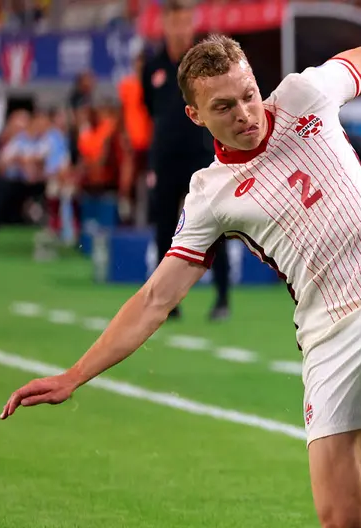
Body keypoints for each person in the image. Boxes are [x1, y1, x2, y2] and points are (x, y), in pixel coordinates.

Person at [0, 35, 361, 528]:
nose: (245, 113)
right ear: (196, 114)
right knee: (340, 526)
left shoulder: (303, 94)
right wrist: (75, 375)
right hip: (332, 332)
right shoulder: (210, 196)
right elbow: (154, 299)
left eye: (247, 94)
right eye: (224, 107)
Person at [142, 0, 230, 321]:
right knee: (164, 229)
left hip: (202, 156)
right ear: (165, 24)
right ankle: (167, 303)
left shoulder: (205, 65)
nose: (180, 29)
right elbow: (151, 108)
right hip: (166, 159)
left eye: (185, 22)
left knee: (214, 227)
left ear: (192, 24)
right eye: (174, 22)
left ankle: (222, 298)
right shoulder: (153, 67)